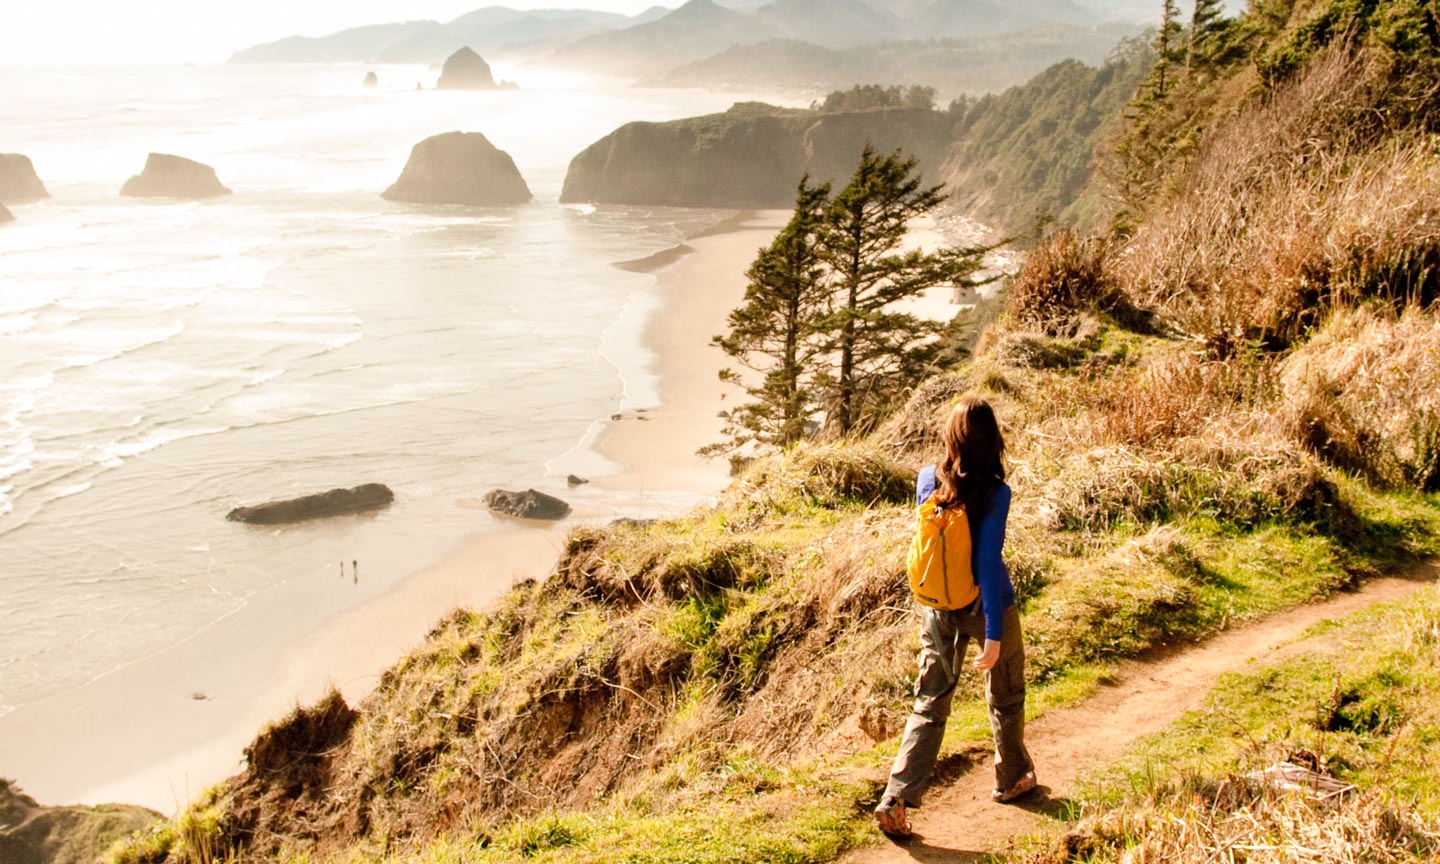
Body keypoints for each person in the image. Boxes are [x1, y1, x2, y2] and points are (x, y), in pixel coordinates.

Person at [875, 396, 1036, 838]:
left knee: (929, 703)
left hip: (938, 606)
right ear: (992, 440)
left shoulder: (927, 478)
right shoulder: (996, 492)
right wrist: (995, 633)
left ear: (952, 436)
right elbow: (987, 561)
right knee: (1005, 695)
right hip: (986, 606)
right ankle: (1012, 779)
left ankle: (896, 798)